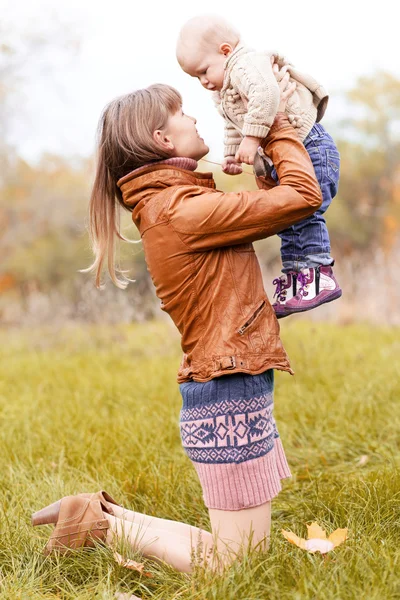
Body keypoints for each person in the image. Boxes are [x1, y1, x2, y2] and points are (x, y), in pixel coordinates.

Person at [32, 70, 322, 572]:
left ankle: (99, 517)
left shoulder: (176, 202)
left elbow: (273, 204)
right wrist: (273, 124)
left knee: (240, 554)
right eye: (182, 113)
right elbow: (302, 197)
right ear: (162, 140)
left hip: (231, 382)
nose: (193, 117)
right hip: (226, 389)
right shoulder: (180, 210)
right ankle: (98, 521)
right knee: (235, 565)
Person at [176, 15, 342, 318]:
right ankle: (297, 281)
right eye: (195, 78)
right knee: (286, 219)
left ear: (225, 51)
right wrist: (231, 153)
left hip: (310, 148)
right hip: (286, 155)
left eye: (203, 71)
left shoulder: (246, 65)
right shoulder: (223, 89)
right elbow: (232, 124)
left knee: (304, 212)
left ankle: (319, 275)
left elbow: (267, 96)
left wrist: (252, 140)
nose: (203, 81)